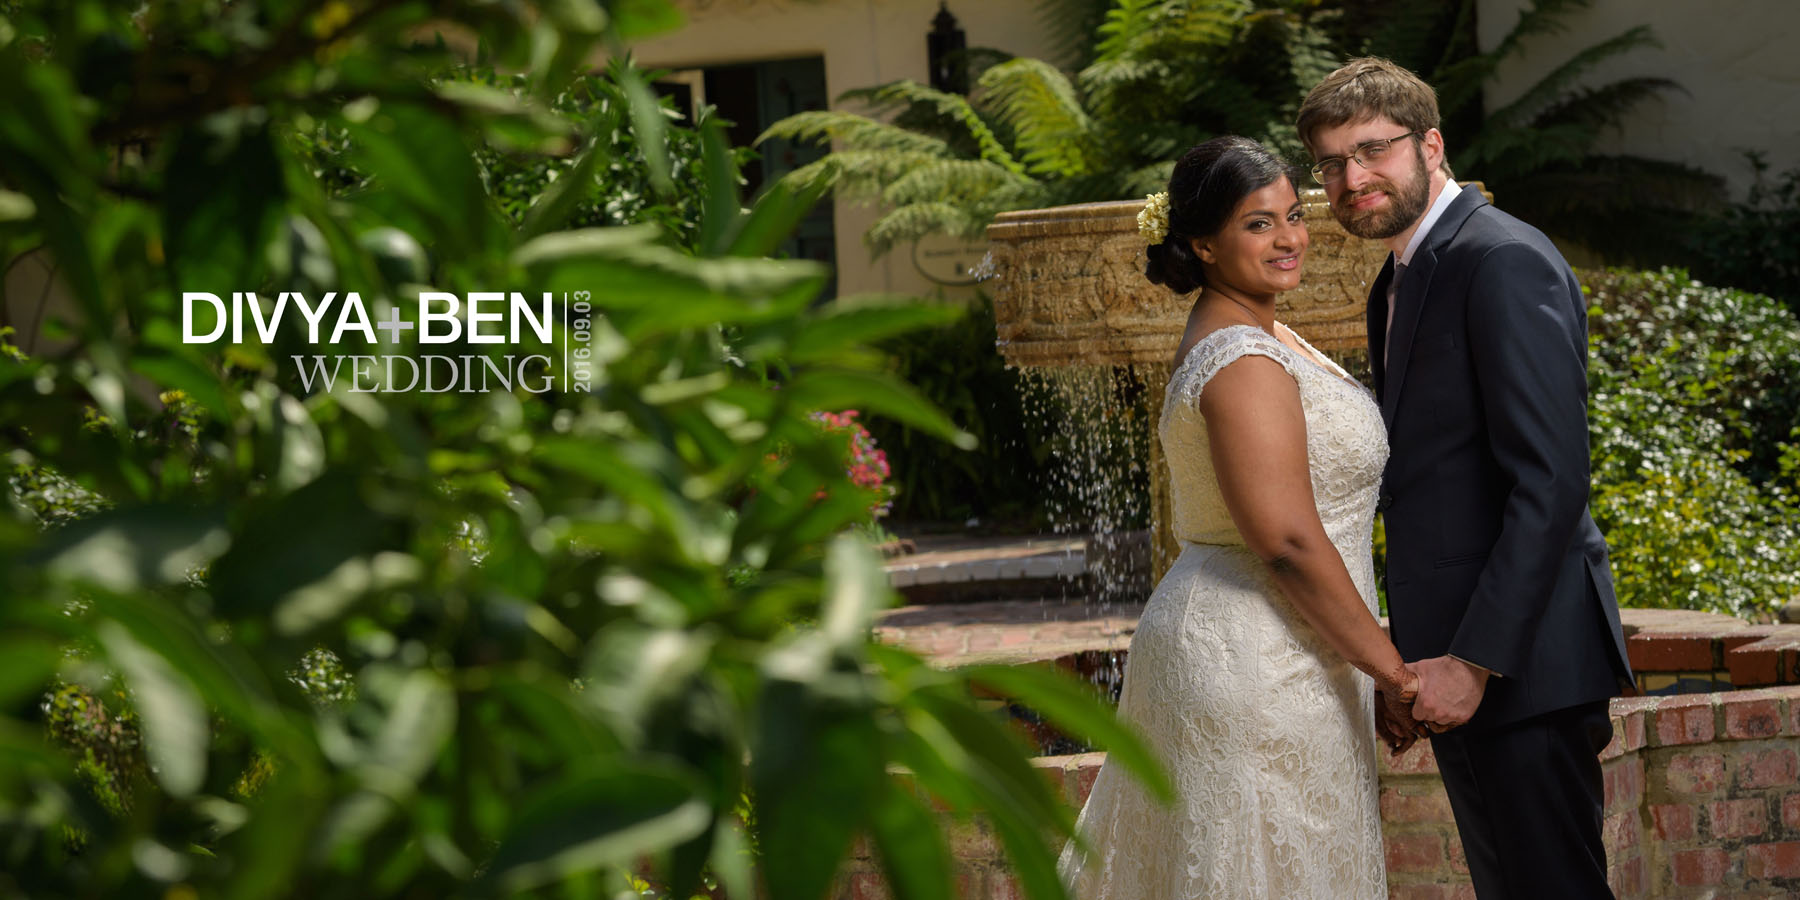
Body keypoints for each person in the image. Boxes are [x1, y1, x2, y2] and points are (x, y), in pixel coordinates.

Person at [1296, 58, 1634, 898]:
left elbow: (1550, 483)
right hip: (1453, 666)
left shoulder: (1501, 260)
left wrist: (1473, 663)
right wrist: (1411, 664)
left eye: (1373, 151)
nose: (1353, 179)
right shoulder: (1400, 279)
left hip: (1522, 666)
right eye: (1332, 165)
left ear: (1432, 144)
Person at [1058, 135, 1418, 898]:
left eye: (1293, 215)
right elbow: (1285, 539)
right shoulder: (1244, 362)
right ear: (1203, 243)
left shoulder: (1257, 330)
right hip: (1257, 661)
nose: (1289, 239)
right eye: (1259, 224)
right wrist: (1391, 670)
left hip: (1290, 651)